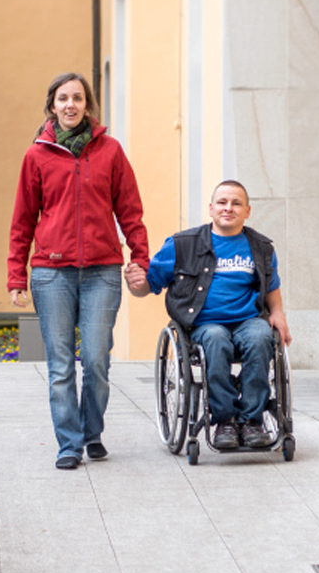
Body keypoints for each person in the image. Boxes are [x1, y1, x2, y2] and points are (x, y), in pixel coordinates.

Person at [8, 72, 149, 470]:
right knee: (59, 363)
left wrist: (141, 258)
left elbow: (130, 211)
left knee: (97, 359)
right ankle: (70, 443)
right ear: (52, 106)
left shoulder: (111, 152)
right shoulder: (36, 156)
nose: (71, 105)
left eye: (78, 98)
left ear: (88, 105)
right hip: (52, 273)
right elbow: (22, 220)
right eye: (63, 98)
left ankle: (92, 432)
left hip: (103, 270)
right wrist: (16, 275)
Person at [124, 180, 291, 451]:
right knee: (215, 339)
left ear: (247, 211)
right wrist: (137, 283)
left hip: (248, 320)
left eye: (236, 203)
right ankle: (224, 419)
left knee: (262, 337)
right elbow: (149, 286)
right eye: (223, 203)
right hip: (203, 323)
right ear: (211, 208)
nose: (229, 208)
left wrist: (279, 313)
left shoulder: (261, 247)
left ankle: (252, 421)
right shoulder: (182, 245)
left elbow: (271, 286)